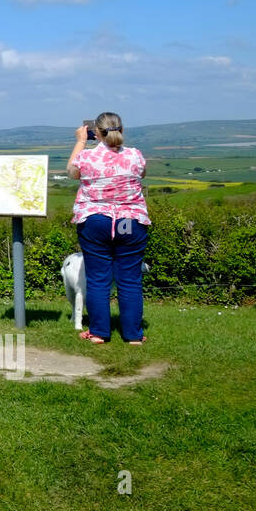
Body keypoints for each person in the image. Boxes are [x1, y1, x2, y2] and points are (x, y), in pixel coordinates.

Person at [67, 112, 151, 345]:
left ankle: (99, 332)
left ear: (96, 133)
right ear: (121, 130)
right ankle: (133, 335)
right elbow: (141, 173)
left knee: (97, 278)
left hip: (96, 220)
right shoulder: (135, 155)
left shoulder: (87, 157)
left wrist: (81, 141)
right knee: (130, 279)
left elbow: (72, 172)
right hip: (130, 221)